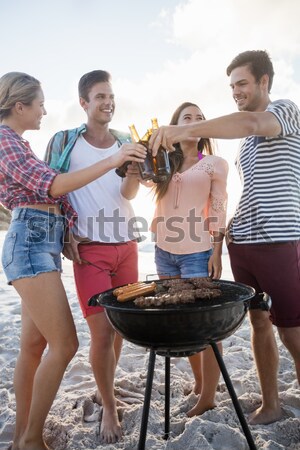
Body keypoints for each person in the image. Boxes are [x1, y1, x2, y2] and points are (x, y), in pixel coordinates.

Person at [149, 50, 300, 425]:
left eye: (243, 83)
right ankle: (271, 404)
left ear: (264, 81)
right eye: (232, 86)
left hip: (280, 239)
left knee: (293, 330)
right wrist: (225, 236)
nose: (236, 91)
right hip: (243, 242)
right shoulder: (244, 145)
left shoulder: (284, 112)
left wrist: (186, 129)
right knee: (260, 323)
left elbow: (249, 122)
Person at [0, 71, 146, 450]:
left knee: (33, 347)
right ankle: (31, 439)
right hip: (30, 243)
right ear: (20, 106)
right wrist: (112, 159)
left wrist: (67, 230)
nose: (44, 111)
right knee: (65, 345)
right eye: (39, 104)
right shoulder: (4, 140)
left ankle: (20, 437)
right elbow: (53, 185)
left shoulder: (18, 142)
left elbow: (53, 196)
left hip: (42, 241)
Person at [44, 70, 143, 444]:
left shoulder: (126, 140)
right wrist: (64, 231)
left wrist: (133, 170)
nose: (108, 102)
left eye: (111, 96)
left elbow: (130, 193)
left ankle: (107, 389)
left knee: (119, 329)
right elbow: (51, 188)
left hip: (127, 245)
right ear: (84, 103)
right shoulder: (65, 141)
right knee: (101, 332)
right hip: (90, 251)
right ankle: (109, 410)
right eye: (100, 96)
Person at [147, 102, 228, 416]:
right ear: (175, 126)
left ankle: (208, 396)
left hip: (197, 253)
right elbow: (139, 181)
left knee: (205, 325)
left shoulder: (214, 164)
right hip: (164, 253)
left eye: (199, 118)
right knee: (182, 319)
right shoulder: (163, 163)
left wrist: (217, 250)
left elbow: (219, 207)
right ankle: (198, 383)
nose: (193, 122)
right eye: (186, 118)